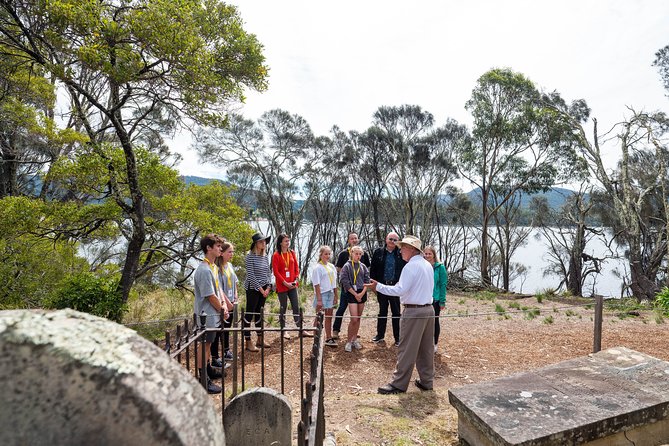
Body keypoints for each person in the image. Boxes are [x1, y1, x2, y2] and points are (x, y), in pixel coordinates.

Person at [368, 235, 435, 394]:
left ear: (412, 249)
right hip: (428, 310)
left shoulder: (410, 267)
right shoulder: (426, 265)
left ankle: (398, 384)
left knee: (406, 349)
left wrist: (378, 287)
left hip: (414, 311)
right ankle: (427, 381)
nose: (400, 250)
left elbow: (399, 290)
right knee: (426, 349)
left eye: (403, 247)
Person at [193, 233, 229, 394]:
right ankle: (203, 379)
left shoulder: (212, 267)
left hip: (212, 315)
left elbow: (218, 290)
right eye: (218, 246)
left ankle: (208, 369)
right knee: (205, 345)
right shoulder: (204, 270)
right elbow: (209, 295)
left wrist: (224, 305)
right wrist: (222, 310)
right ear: (208, 248)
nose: (220, 249)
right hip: (205, 315)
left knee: (209, 344)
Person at [369, 231, 406, 346]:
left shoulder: (400, 253)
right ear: (386, 239)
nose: (392, 242)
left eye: (395, 240)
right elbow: (373, 270)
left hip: (395, 287)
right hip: (382, 286)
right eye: (390, 239)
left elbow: (405, 270)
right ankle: (380, 335)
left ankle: (398, 338)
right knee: (382, 312)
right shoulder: (378, 252)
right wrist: (374, 286)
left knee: (396, 313)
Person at [272, 234, 311, 339]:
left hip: (293, 285)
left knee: (296, 307)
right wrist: (285, 283)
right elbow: (275, 272)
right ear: (280, 243)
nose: (288, 243)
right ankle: (283, 330)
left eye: (288, 241)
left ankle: (300, 329)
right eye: (285, 241)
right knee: (283, 307)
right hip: (282, 286)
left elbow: (296, 268)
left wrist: (296, 279)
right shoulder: (276, 255)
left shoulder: (292, 252)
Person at [332, 232, 370, 339]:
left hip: (359, 289)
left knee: (357, 313)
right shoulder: (343, 254)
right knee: (342, 308)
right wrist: (347, 280)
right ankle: (336, 330)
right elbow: (338, 269)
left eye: (356, 238)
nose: (354, 240)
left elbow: (366, 270)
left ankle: (354, 331)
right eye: (352, 238)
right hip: (346, 288)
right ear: (348, 241)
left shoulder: (364, 254)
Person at [243, 232, 272, 352]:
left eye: (265, 241)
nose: (264, 243)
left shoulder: (265, 256)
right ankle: (248, 341)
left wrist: (269, 287)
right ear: (256, 244)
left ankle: (260, 339)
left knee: (259, 313)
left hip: (264, 288)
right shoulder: (249, 256)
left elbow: (268, 273)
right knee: (249, 314)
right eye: (261, 241)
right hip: (253, 289)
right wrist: (261, 289)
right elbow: (251, 275)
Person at [339, 245, 370, 352]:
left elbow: (367, 281)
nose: (358, 256)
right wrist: (355, 294)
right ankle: (348, 341)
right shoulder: (347, 266)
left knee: (359, 318)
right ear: (351, 253)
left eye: (360, 254)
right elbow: (345, 281)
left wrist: (361, 294)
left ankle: (354, 339)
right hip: (352, 293)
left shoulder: (363, 266)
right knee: (354, 318)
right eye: (356, 253)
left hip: (362, 292)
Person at [311, 245, 339, 347]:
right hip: (322, 294)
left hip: (330, 293)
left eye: (329, 254)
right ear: (321, 255)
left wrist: (336, 295)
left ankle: (328, 337)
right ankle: (316, 339)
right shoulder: (317, 268)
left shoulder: (331, 266)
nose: (327, 256)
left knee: (329, 316)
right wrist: (319, 299)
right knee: (319, 317)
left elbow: (334, 282)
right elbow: (316, 284)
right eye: (325, 254)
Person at [423, 245, 447, 354]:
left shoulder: (440, 267)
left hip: (435, 299)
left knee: (434, 322)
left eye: (429, 254)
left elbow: (443, 284)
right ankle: (423, 344)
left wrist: (442, 301)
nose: (427, 256)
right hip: (422, 299)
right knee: (422, 322)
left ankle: (435, 344)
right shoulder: (421, 265)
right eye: (426, 253)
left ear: (434, 255)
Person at [217, 240, 238, 361]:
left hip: (232, 301)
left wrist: (235, 296)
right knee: (222, 327)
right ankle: (220, 353)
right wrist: (228, 303)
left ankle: (226, 350)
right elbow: (219, 288)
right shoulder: (218, 268)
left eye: (232, 252)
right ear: (222, 253)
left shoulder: (229, 266)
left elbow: (235, 282)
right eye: (229, 252)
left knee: (228, 327)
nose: (232, 254)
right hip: (224, 303)